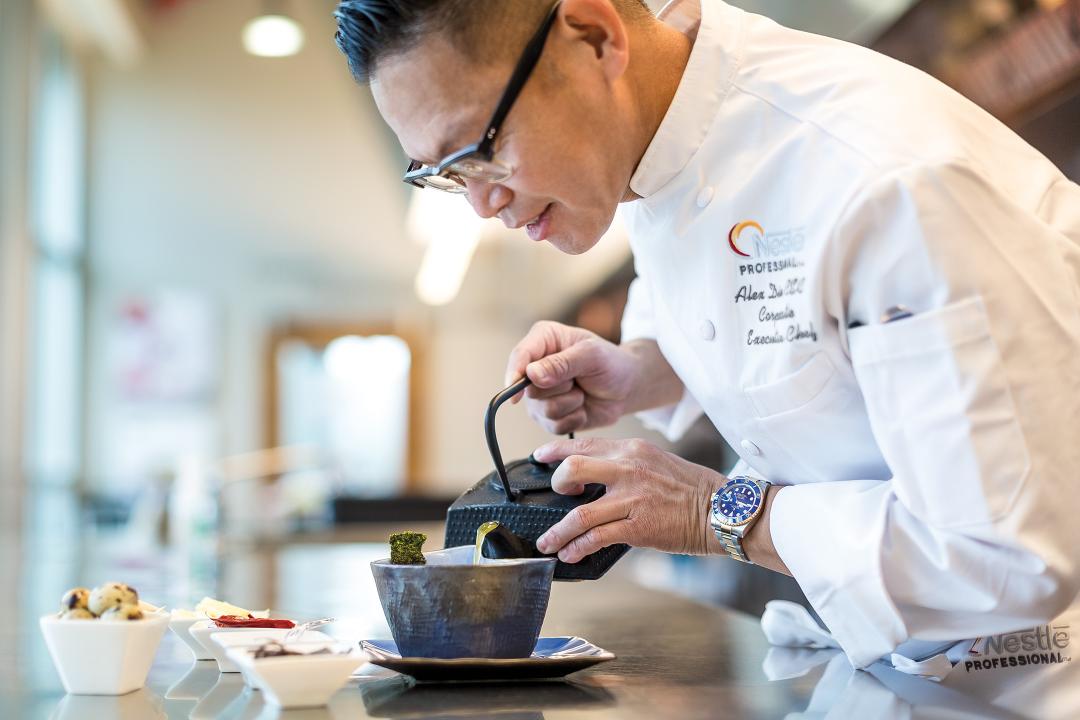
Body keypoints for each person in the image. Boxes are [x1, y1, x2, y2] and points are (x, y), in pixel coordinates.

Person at [333, 0, 1080, 669]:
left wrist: (718, 513)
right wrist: (644, 370)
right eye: (442, 174)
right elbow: (779, 315)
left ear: (592, 37)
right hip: (905, 664)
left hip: (1038, 673)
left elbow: (1004, 557)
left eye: (478, 150)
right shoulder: (655, 144)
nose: (482, 204)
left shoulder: (888, 178)